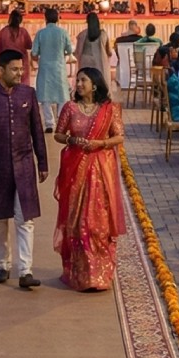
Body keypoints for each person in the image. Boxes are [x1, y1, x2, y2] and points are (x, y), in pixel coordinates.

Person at [0, 50, 49, 290]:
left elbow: (37, 129)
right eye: (14, 69)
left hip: (24, 165)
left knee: (25, 218)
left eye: (21, 69)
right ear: (1, 70)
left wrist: (43, 162)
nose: (20, 73)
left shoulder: (28, 94)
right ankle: (3, 265)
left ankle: (25, 270)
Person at [52, 67, 128, 292]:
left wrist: (99, 144)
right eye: (77, 80)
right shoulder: (70, 108)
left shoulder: (109, 109)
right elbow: (58, 134)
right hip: (76, 172)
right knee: (76, 222)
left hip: (101, 173)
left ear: (94, 85)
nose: (79, 83)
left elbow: (119, 136)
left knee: (98, 223)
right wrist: (73, 141)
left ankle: (99, 275)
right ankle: (80, 274)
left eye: (83, 80)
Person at [32, 7, 73, 116]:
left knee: (46, 96)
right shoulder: (63, 33)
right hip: (59, 67)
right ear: (57, 19)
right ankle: (60, 119)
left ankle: (49, 123)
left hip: (45, 67)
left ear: (45, 19)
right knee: (61, 94)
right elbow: (69, 50)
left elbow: (34, 52)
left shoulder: (40, 33)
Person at [76, 10, 113, 89]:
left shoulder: (82, 35)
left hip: (85, 61)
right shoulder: (103, 34)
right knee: (99, 81)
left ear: (87, 22)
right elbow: (109, 52)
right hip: (99, 60)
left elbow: (77, 51)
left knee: (86, 80)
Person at [0, 9, 33, 84]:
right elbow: (30, 46)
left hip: (6, 64)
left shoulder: (3, 31)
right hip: (21, 65)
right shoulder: (23, 32)